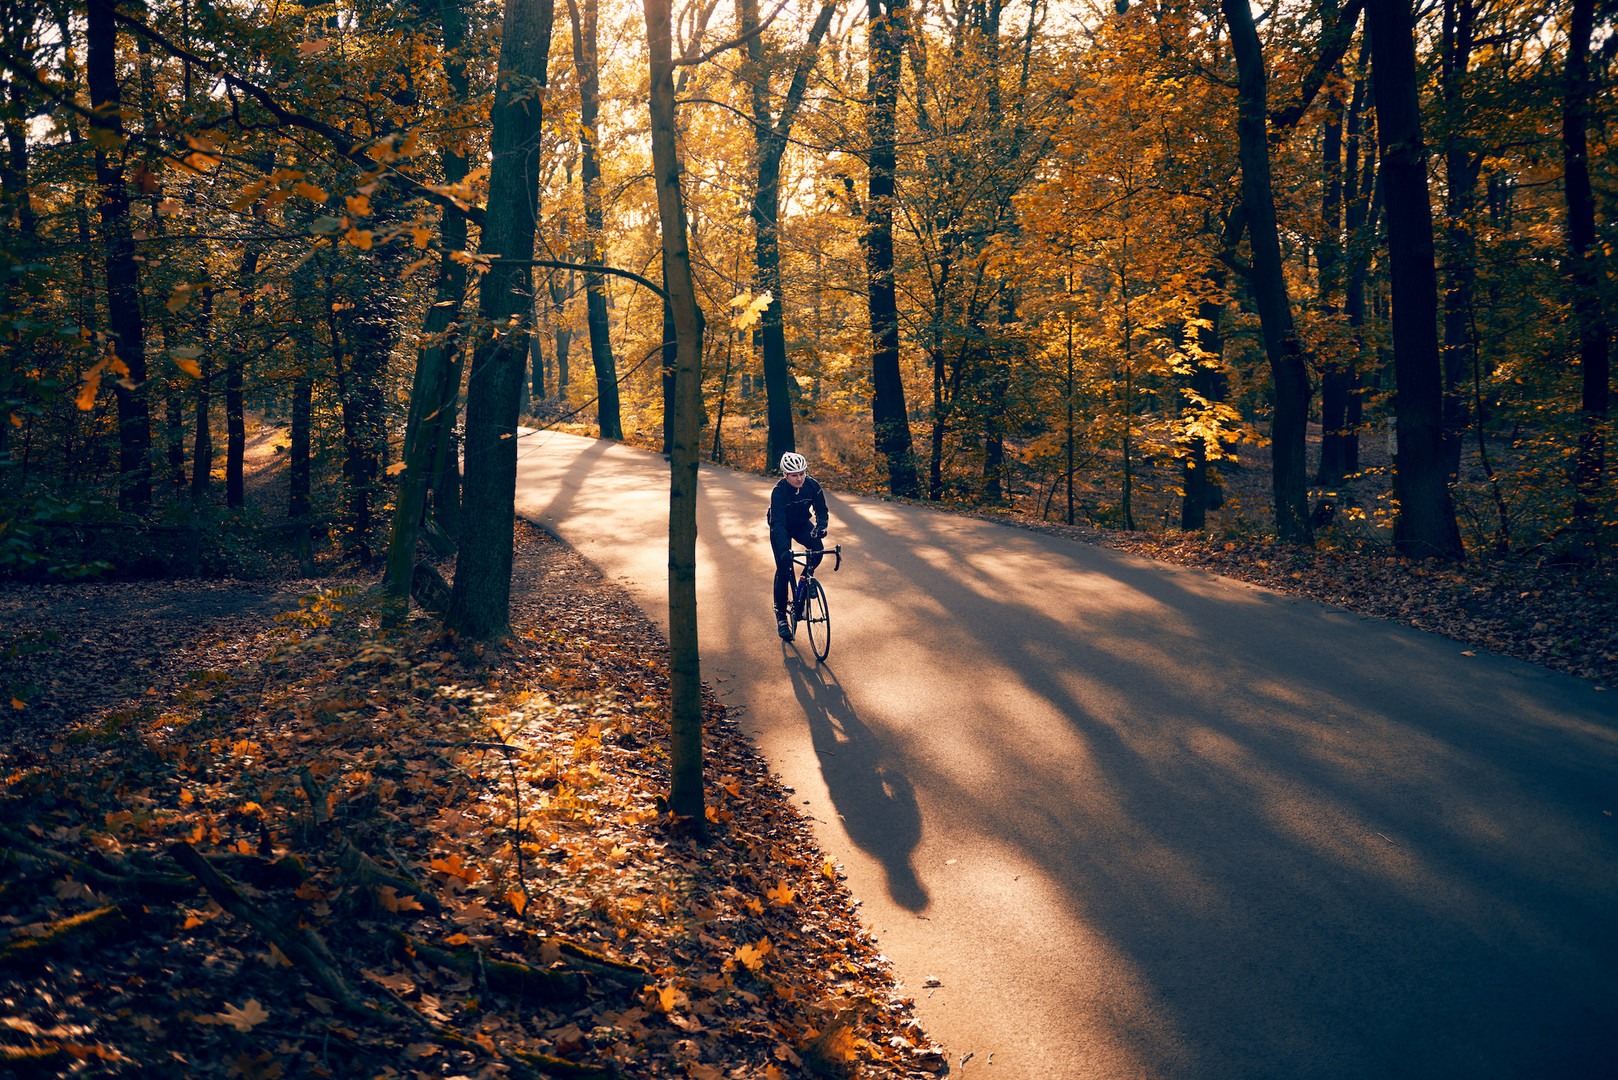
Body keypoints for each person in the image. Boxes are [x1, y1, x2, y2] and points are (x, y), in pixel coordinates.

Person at [767, 451, 828, 640]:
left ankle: (806, 579)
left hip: (801, 523)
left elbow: (821, 510)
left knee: (818, 551)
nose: (800, 478)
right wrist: (784, 549)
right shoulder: (778, 492)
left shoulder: (812, 485)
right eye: (794, 475)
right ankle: (782, 618)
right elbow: (777, 523)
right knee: (784, 569)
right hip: (782, 527)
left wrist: (821, 526)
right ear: (785, 475)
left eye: (802, 473)